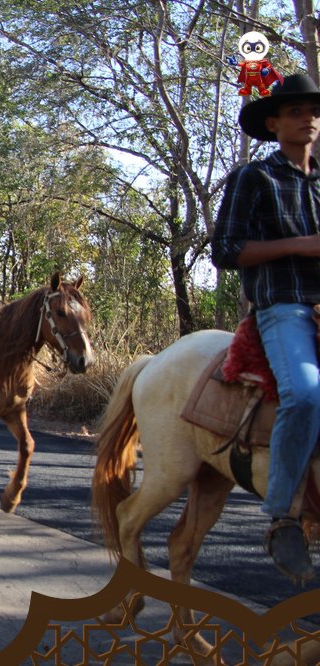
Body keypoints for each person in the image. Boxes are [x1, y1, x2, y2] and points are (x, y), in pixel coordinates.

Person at [211, 73, 320, 582]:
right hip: (284, 307)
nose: (308, 118)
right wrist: (301, 245)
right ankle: (283, 515)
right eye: (296, 111)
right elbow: (226, 250)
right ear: (273, 123)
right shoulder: (254, 177)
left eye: (313, 111)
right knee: (305, 393)